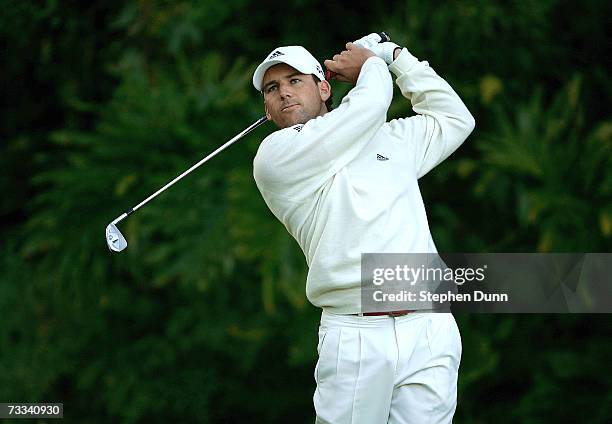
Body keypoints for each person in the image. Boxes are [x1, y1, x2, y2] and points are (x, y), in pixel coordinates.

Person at [251, 33, 475, 423]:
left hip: (429, 326)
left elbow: (455, 119)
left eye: (294, 80)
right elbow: (369, 104)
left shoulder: (388, 139)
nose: (284, 92)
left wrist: (397, 56)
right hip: (355, 333)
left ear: (324, 87)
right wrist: (372, 63)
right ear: (268, 110)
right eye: (272, 88)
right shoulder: (275, 157)